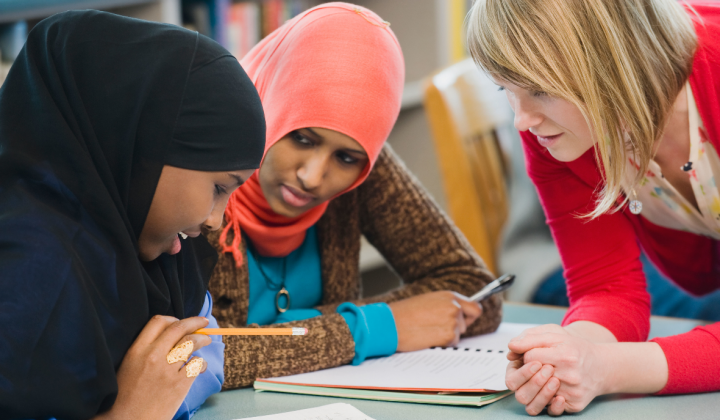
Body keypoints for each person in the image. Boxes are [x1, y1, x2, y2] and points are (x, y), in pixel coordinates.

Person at [207, 2, 502, 389]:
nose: (313, 177)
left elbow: (473, 289)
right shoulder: (200, 166)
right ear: (268, 99)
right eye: (301, 137)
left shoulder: (362, 163)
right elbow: (187, 360)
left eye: (345, 158)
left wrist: (297, 333)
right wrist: (377, 326)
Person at [0, 10, 265, 419]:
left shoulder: (160, 252)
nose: (216, 220)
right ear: (141, 150)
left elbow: (208, 352)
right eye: (218, 188)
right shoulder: (26, 274)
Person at [467, 0, 720, 415]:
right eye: (505, 90)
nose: (521, 121)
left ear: (616, 56)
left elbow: (609, 366)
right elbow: (607, 287)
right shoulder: (550, 132)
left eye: (540, 90)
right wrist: (569, 356)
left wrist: (609, 368)